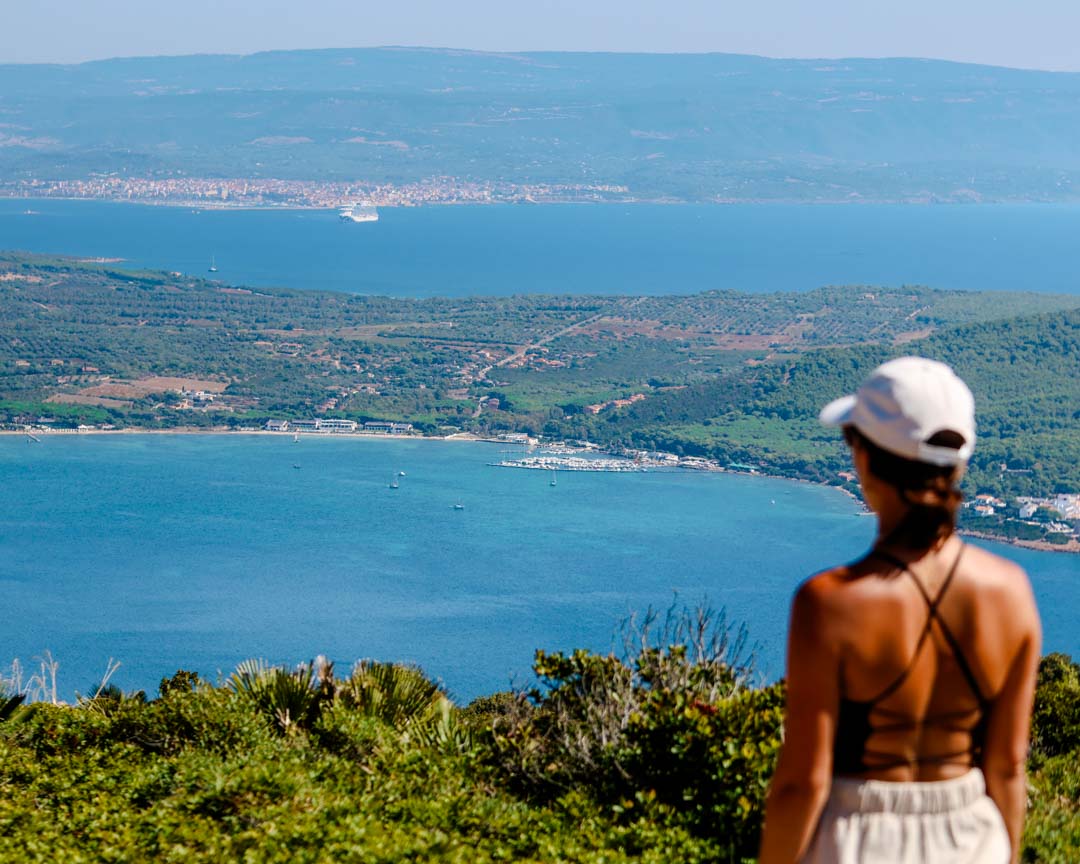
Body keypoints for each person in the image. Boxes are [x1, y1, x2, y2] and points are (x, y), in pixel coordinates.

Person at [758, 357, 1042, 864]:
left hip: (859, 839)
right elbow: (1007, 766)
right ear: (958, 466)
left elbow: (803, 783)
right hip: (972, 838)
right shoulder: (1011, 592)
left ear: (865, 459)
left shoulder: (829, 602)